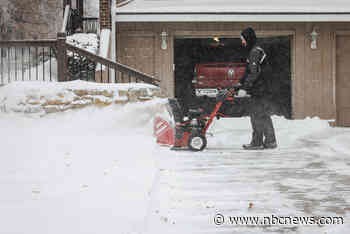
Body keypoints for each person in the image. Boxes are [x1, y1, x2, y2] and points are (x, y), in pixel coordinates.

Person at [239, 27, 277, 150]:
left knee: (258, 115)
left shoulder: (255, 51)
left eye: (243, 39)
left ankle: (259, 142)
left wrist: (245, 87)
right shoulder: (256, 50)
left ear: (248, 38)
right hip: (262, 88)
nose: (242, 42)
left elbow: (254, 73)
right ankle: (267, 141)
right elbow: (249, 71)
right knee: (261, 114)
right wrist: (240, 84)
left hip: (260, 89)